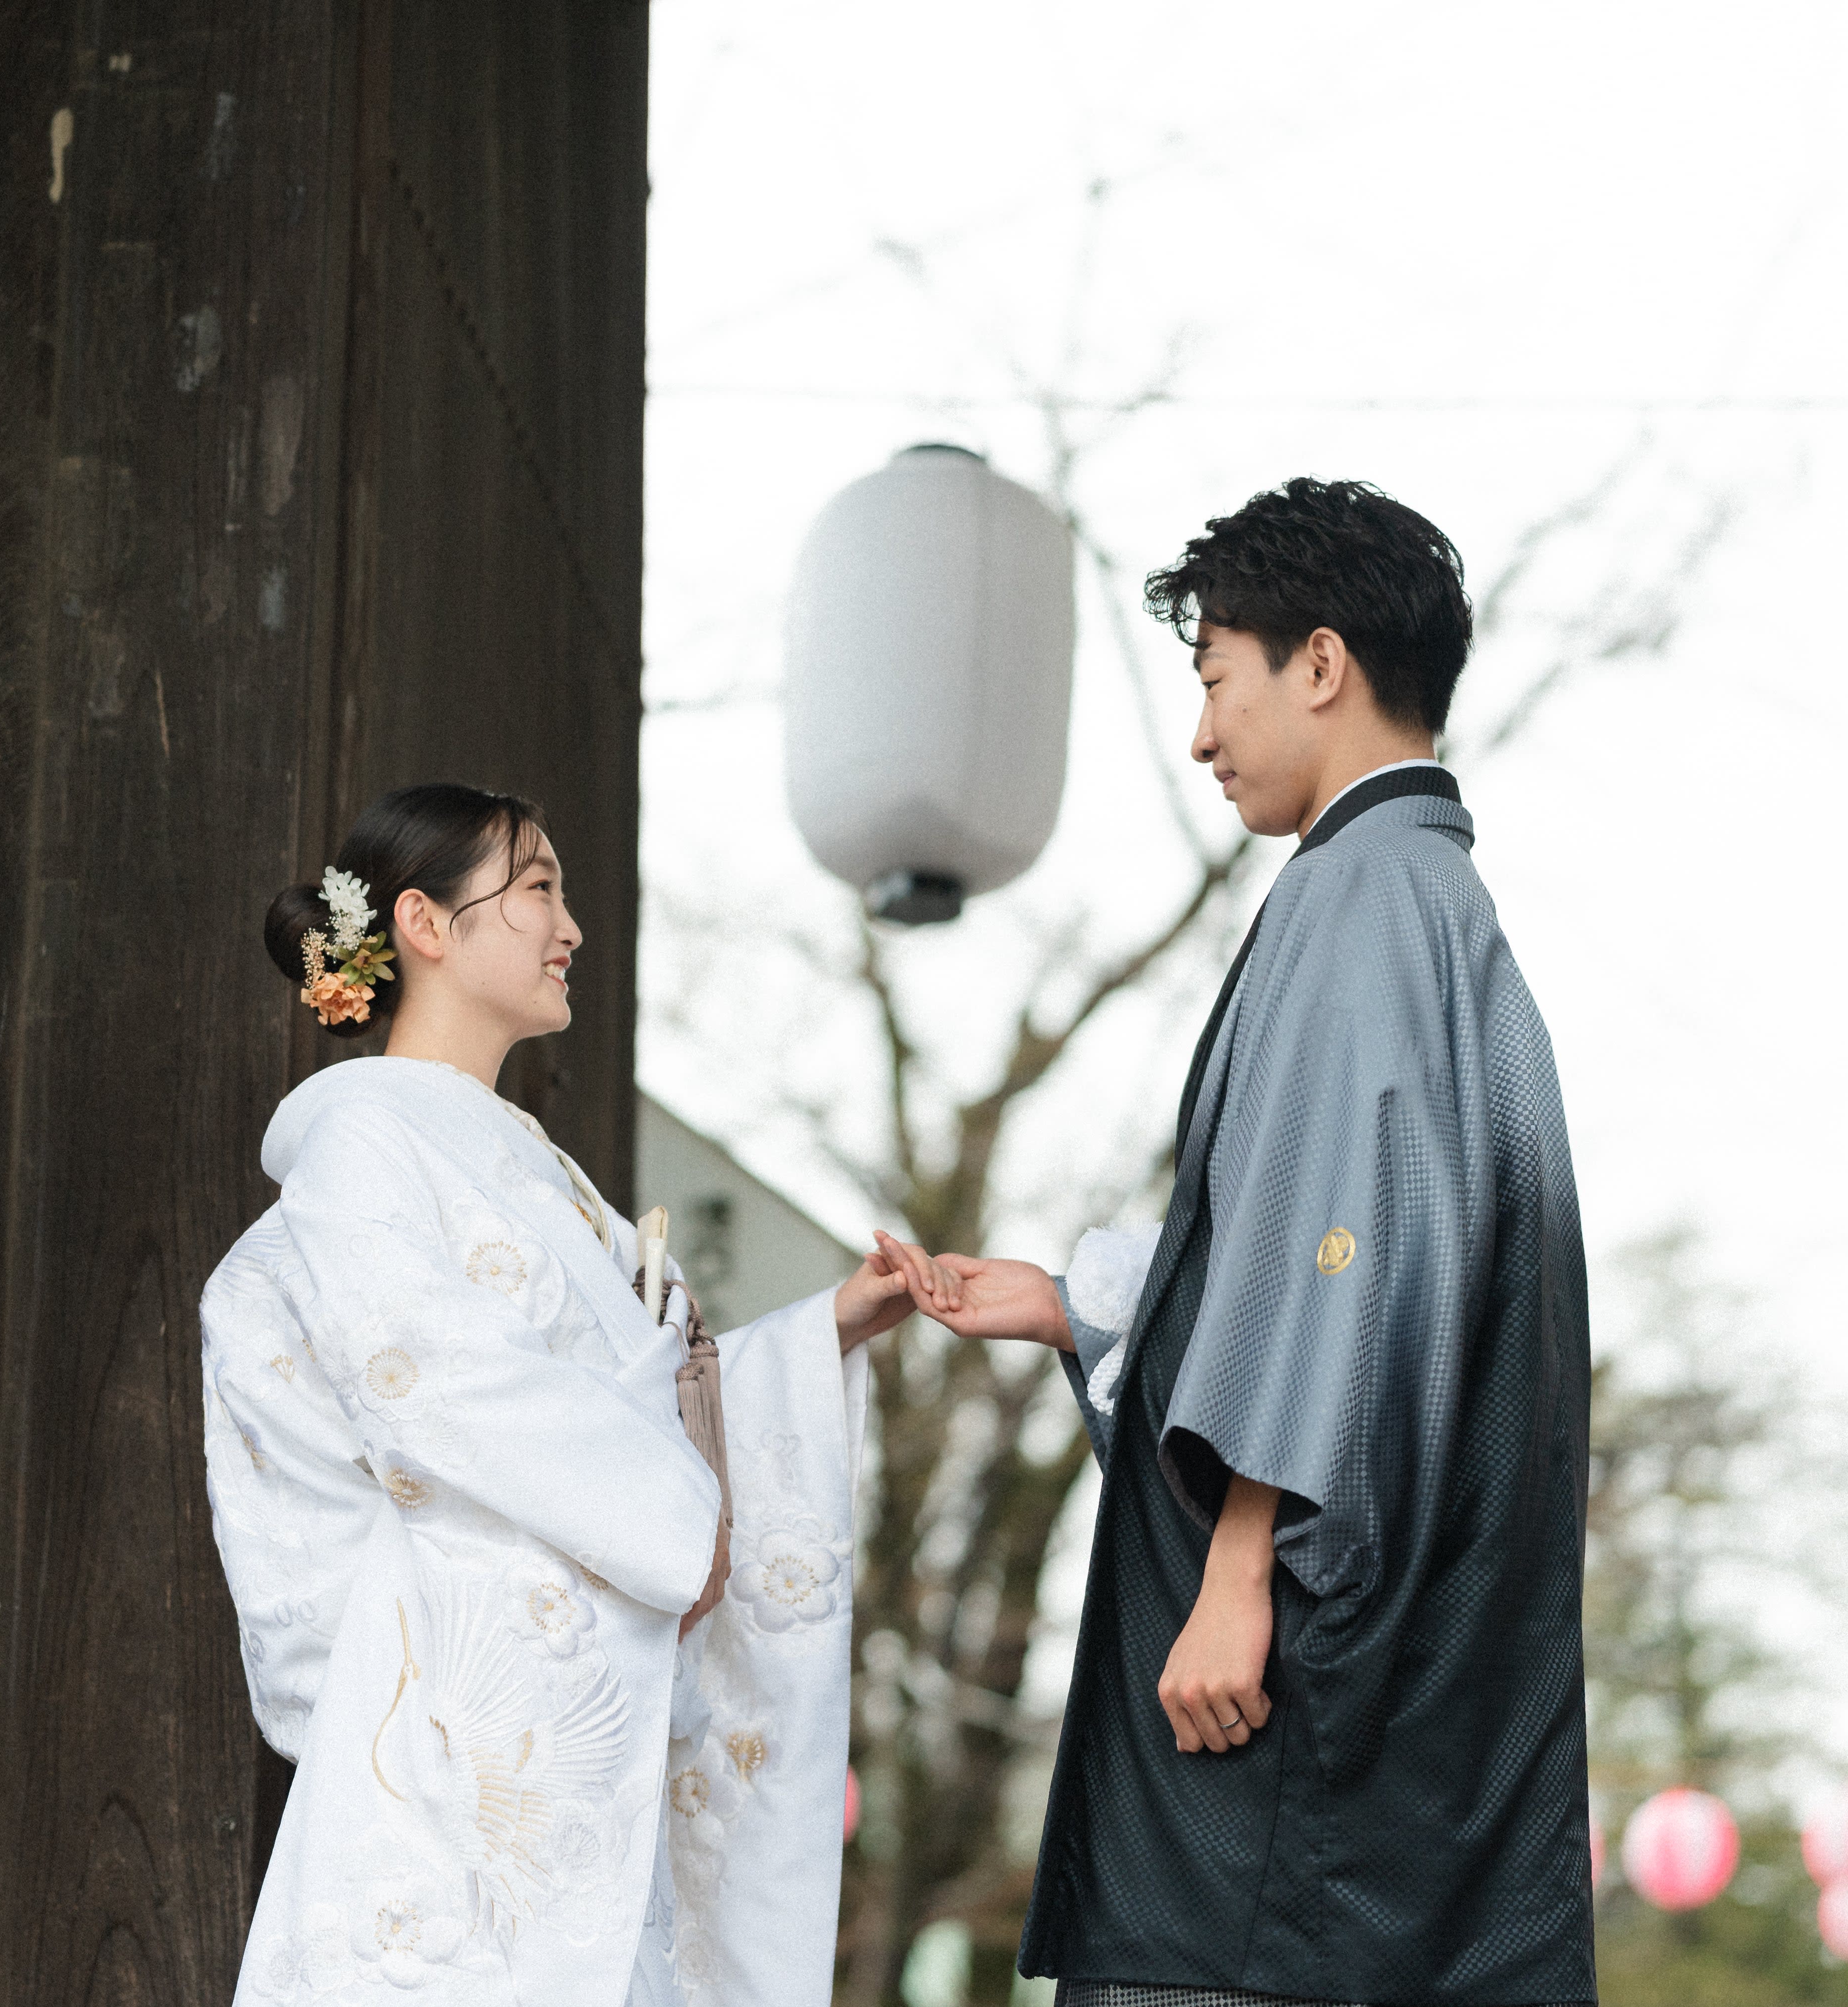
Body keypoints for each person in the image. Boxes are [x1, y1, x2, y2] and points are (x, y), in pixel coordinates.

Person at [885, 479, 1596, 2007]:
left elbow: (1342, 1254)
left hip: (1300, 1679)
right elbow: (1371, 1252)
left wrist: (1239, 1562)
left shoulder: (1360, 898)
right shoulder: (1431, 900)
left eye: (1218, 679)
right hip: (1424, 1683)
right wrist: (1080, 1306)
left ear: (1320, 664)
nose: (1204, 735)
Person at [202, 783, 912, 2006]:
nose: (570, 926)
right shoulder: (363, 1146)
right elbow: (440, 1387)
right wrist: (678, 1523)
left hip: (577, 1741)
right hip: (459, 1757)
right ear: (424, 922)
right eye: (537, 888)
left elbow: (632, 1406)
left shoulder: (542, 1174)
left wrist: (818, 1335)